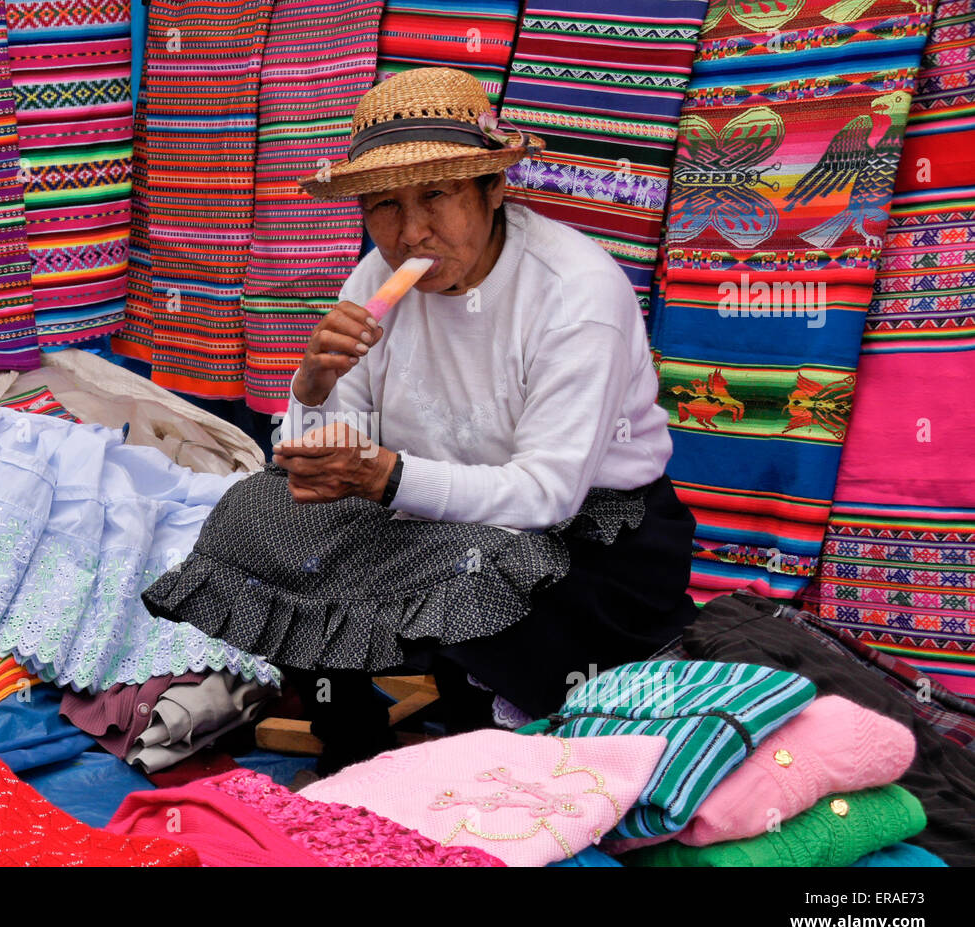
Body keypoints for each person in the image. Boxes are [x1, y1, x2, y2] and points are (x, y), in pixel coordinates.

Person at [143, 67, 697, 774]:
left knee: (480, 571)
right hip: (434, 511)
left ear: (495, 190)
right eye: (384, 205)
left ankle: (490, 718)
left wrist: (389, 477)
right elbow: (325, 449)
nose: (410, 232)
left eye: (436, 195)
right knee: (257, 517)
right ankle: (352, 741)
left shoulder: (575, 293)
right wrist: (312, 389)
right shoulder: (379, 276)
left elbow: (545, 494)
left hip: (590, 538)